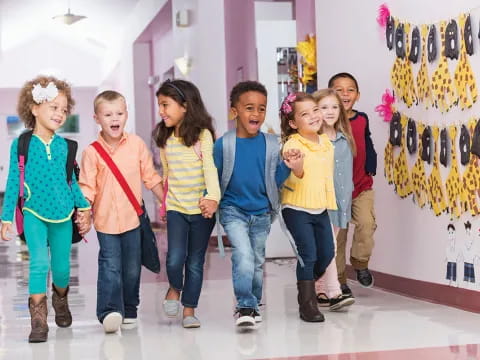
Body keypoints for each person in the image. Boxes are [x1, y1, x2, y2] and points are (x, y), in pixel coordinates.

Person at [0, 75, 92, 343]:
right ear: (34, 108)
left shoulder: (65, 146)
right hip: (34, 213)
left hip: (63, 214)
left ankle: (60, 301)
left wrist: (84, 207)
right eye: (54, 107)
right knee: (39, 263)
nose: (60, 114)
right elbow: (13, 181)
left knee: (62, 268)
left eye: (64, 109)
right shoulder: (22, 144)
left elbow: (70, 181)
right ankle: (38, 322)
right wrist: (6, 217)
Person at [214, 81, 302, 328]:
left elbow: (274, 181)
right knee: (243, 255)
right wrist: (209, 200)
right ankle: (245, 305)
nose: (256, 114)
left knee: (257, 261)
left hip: (262, 212)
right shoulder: (224, 144)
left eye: (261, 109)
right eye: (249, 108)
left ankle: (253, 302)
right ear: (234, 112)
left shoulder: (273, 144)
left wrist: (287, 167)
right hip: (233, 210)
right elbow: (214, 177)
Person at [79, 90, 163, 333]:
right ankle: (108, 311)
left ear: (126, 115)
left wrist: (166, 202)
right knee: (110, 265)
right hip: (105, 221)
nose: (114, 118)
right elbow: (87, 186)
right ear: (97, 119)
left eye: (119, 113)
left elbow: (151, 176)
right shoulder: (91, 152)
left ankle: (130, 308)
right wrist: (84, 212)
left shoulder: (135, 144)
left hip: (132, 219)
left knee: (132, 267)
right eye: (107, 114)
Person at [152, 79, 220, 329]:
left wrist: (213, 198)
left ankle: (189, 309)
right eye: (160, 105)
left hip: (202, 209)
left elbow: (210, 169)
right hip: (177, 208)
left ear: (185, 105)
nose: (161, 111)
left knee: (194, 261)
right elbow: (167, 174)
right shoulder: (164, 136)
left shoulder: (202, 135)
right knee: (174, 258)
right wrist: (165, 205)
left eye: (165, 105)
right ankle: (174, 288)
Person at [280, 91, 336, 322]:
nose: (314, 116)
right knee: (308, 255)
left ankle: (306, 283)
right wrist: (298, 167)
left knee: (327, 253)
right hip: (296, 208)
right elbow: (295, 172)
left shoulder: (325, 142)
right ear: (293, 123)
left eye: (315, 110)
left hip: (320, 207)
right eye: (305, 114)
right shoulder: (293, 145)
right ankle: (308, 305)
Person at [328, 72, 377, 295]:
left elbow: (367, 142)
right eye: (339, 89)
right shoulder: (328, 121)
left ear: (357, 95)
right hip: (337, 190)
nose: (345, 94)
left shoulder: (362, 119)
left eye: (350, 90)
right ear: (330, 94)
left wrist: (371, 167)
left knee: (366, 224)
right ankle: (339, 280)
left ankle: (360, 262)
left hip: (361, 186)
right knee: (339, 236)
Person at [313, 88, 356, 311]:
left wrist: (347, 200)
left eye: (334, 107)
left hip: (341, 203)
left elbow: (346, 173)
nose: (330, 112)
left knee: (329, 249)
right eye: (324, 107)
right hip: (321, 203)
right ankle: (334, 292)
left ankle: (319, 287)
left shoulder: (345, 139)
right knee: (329, 247)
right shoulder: (314, 141)